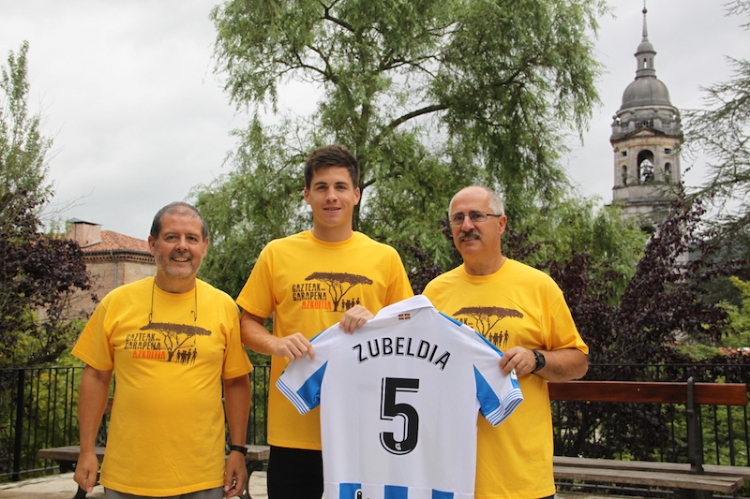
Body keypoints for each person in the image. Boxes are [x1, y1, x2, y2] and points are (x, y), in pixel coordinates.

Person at [236, 144, 413, 499]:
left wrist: (378, 320)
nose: (331, 196)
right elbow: (246, 324)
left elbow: (410, 330)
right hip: (293, 432)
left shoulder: (385, 258)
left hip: (364, 431)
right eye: (321, 187)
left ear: (356, 195)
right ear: (307, 195)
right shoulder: (277, 253)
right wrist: (276, 343)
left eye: (340, 187)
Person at [72, 202, 253, 499]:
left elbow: (236, 382)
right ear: (152, 244)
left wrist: (238, 450)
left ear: (205, 246)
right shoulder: (116, 303)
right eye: (171, 237)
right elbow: (96, 377)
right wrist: (87, 450)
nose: (182, 246)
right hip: (128, 476)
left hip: (203, 476)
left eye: (191, 238)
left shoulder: (224, 307)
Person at [422, 186, 589, 499]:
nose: (466, 225)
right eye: (458, 218)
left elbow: (578, 363)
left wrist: (537, 360)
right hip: (450, 478)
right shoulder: (434, 293)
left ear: (501, 224)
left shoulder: (539, 287)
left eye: (477, 216)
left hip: (521, 479)